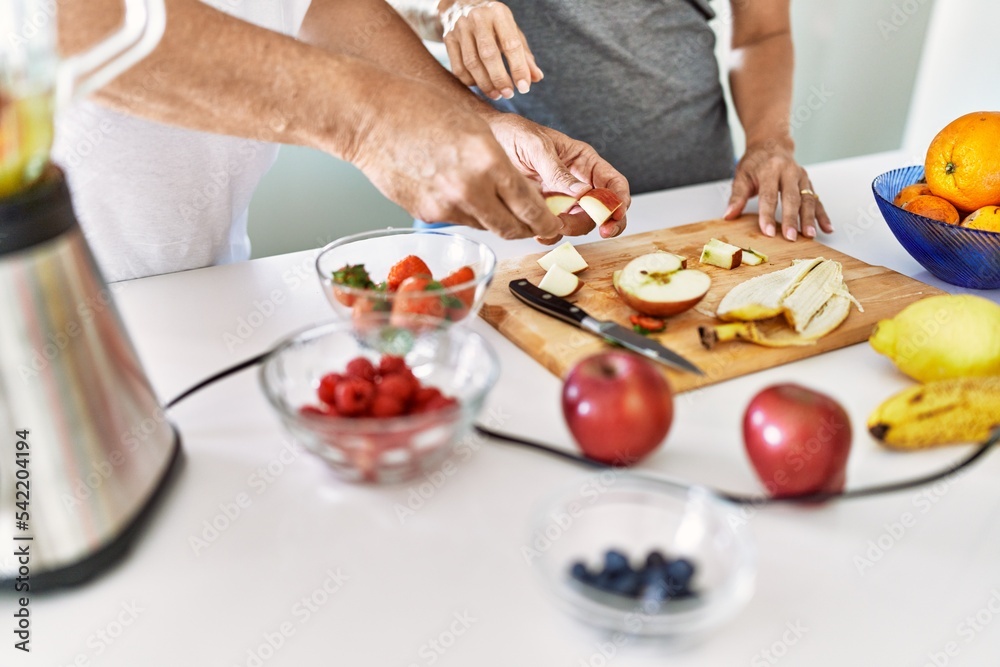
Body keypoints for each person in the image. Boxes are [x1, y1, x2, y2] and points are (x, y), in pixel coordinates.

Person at [56, 0, 630, 282]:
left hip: (206, 277)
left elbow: (316, 4)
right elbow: (76, 22)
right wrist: (372, 125)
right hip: (48, 296)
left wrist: (477, 122)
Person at [389, 0, 833, 242]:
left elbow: (763, 30)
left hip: (701, 199)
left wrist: (769, 141)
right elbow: (364, 12)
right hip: (508, 203)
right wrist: (450, 7)